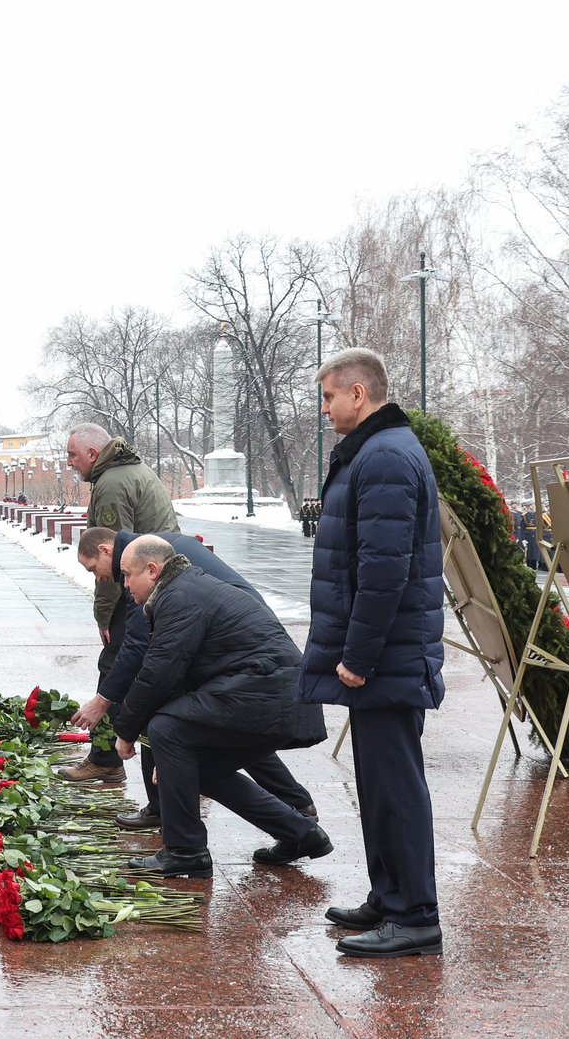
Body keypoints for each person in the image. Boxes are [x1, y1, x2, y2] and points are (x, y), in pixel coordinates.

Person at [300, 347, 445, 959]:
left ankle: (415, 914)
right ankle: (389, 898)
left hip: (385, 657)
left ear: (358, 394)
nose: (326, 408)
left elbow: (384, 573)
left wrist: (357, 656)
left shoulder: (385, 456)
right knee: (380, 782)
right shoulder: (378, 452)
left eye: (330, 397)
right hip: (386, 656)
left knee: (395, 784)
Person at [107, 536, 329, 879]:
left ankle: (185, 850)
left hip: (269, 693)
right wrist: (172, 762)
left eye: (126, 575)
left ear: (152, 570)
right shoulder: (184, 589)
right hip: (275, 695)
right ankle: (300, 834)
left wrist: (125, 732)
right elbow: (177, 676)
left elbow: (159, 672)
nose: (124, 584)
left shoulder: (179, 597)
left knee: (165, 727)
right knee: (202, 770)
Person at [59, 422, 179, 786]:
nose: (70, 462)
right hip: (160, 580)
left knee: (114, 664)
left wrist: (104, 614)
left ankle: (105, 759)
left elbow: (113, 560)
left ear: (93, 454)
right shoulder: (125, 471)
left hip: (145, 586)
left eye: (73, 455)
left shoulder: (111, 484)